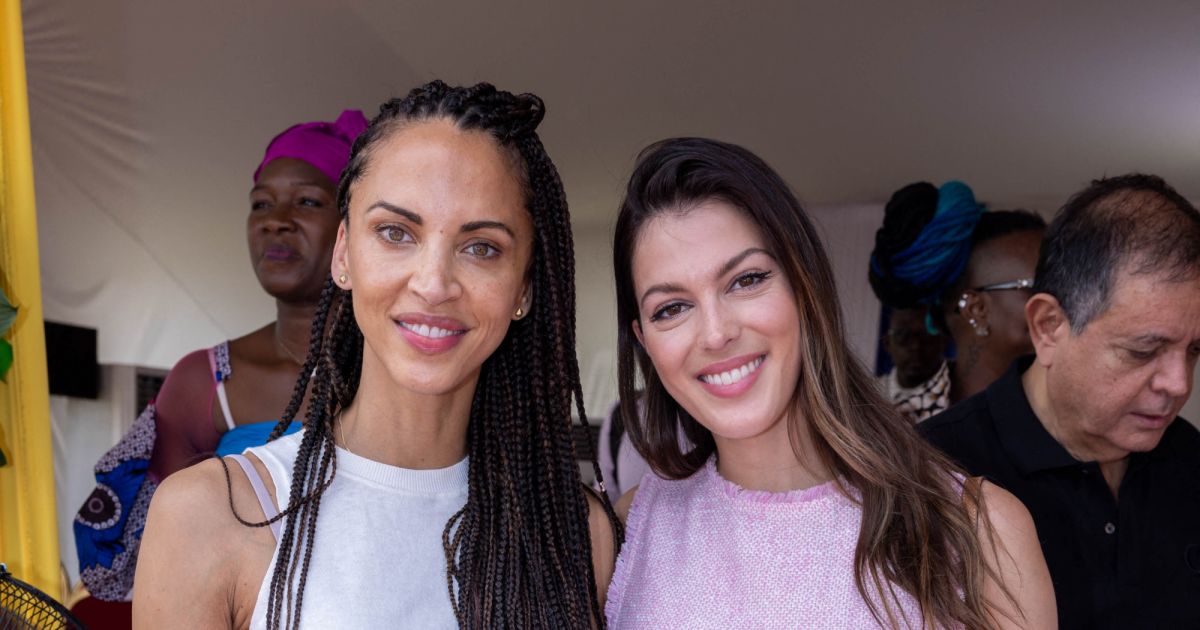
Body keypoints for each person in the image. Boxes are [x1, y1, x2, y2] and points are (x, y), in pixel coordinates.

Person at [133, 81, 618, 629]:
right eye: (395, 232)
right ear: (344, 254)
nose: (434, 283)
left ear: (525, 286)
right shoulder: (209, 516)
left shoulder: (576, 535)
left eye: (481, 247)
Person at [605, 137, 1055, 628]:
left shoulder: (979, 532)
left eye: (747, 280)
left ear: (805, 285)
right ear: (645, 342)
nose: (716, 334)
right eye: (671, 308)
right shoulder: (630, 531)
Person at [71, 110, 366, 626]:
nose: (276, 219)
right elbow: (159, 550)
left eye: (308, 201)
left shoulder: (402, 374)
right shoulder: (204, 381)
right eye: (261, 204)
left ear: (355, 226)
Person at [921, 174, 1200, 629]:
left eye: (1194, 351)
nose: (1179, 384)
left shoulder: (1191, 461)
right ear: (1049, 326)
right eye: (1143, 351)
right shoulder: (932, 472)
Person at [869, 181, 1046, 408]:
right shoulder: (899, 430)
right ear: (976, 310)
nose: (1064, 302)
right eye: (1039, 287)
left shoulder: (1075, 420)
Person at [878, 305, 949, 421]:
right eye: (904, 336)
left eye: (926, 336)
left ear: (943, 342)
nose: (915, 346)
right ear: (887, 343)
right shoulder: (872, 394)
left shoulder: (959, 395)